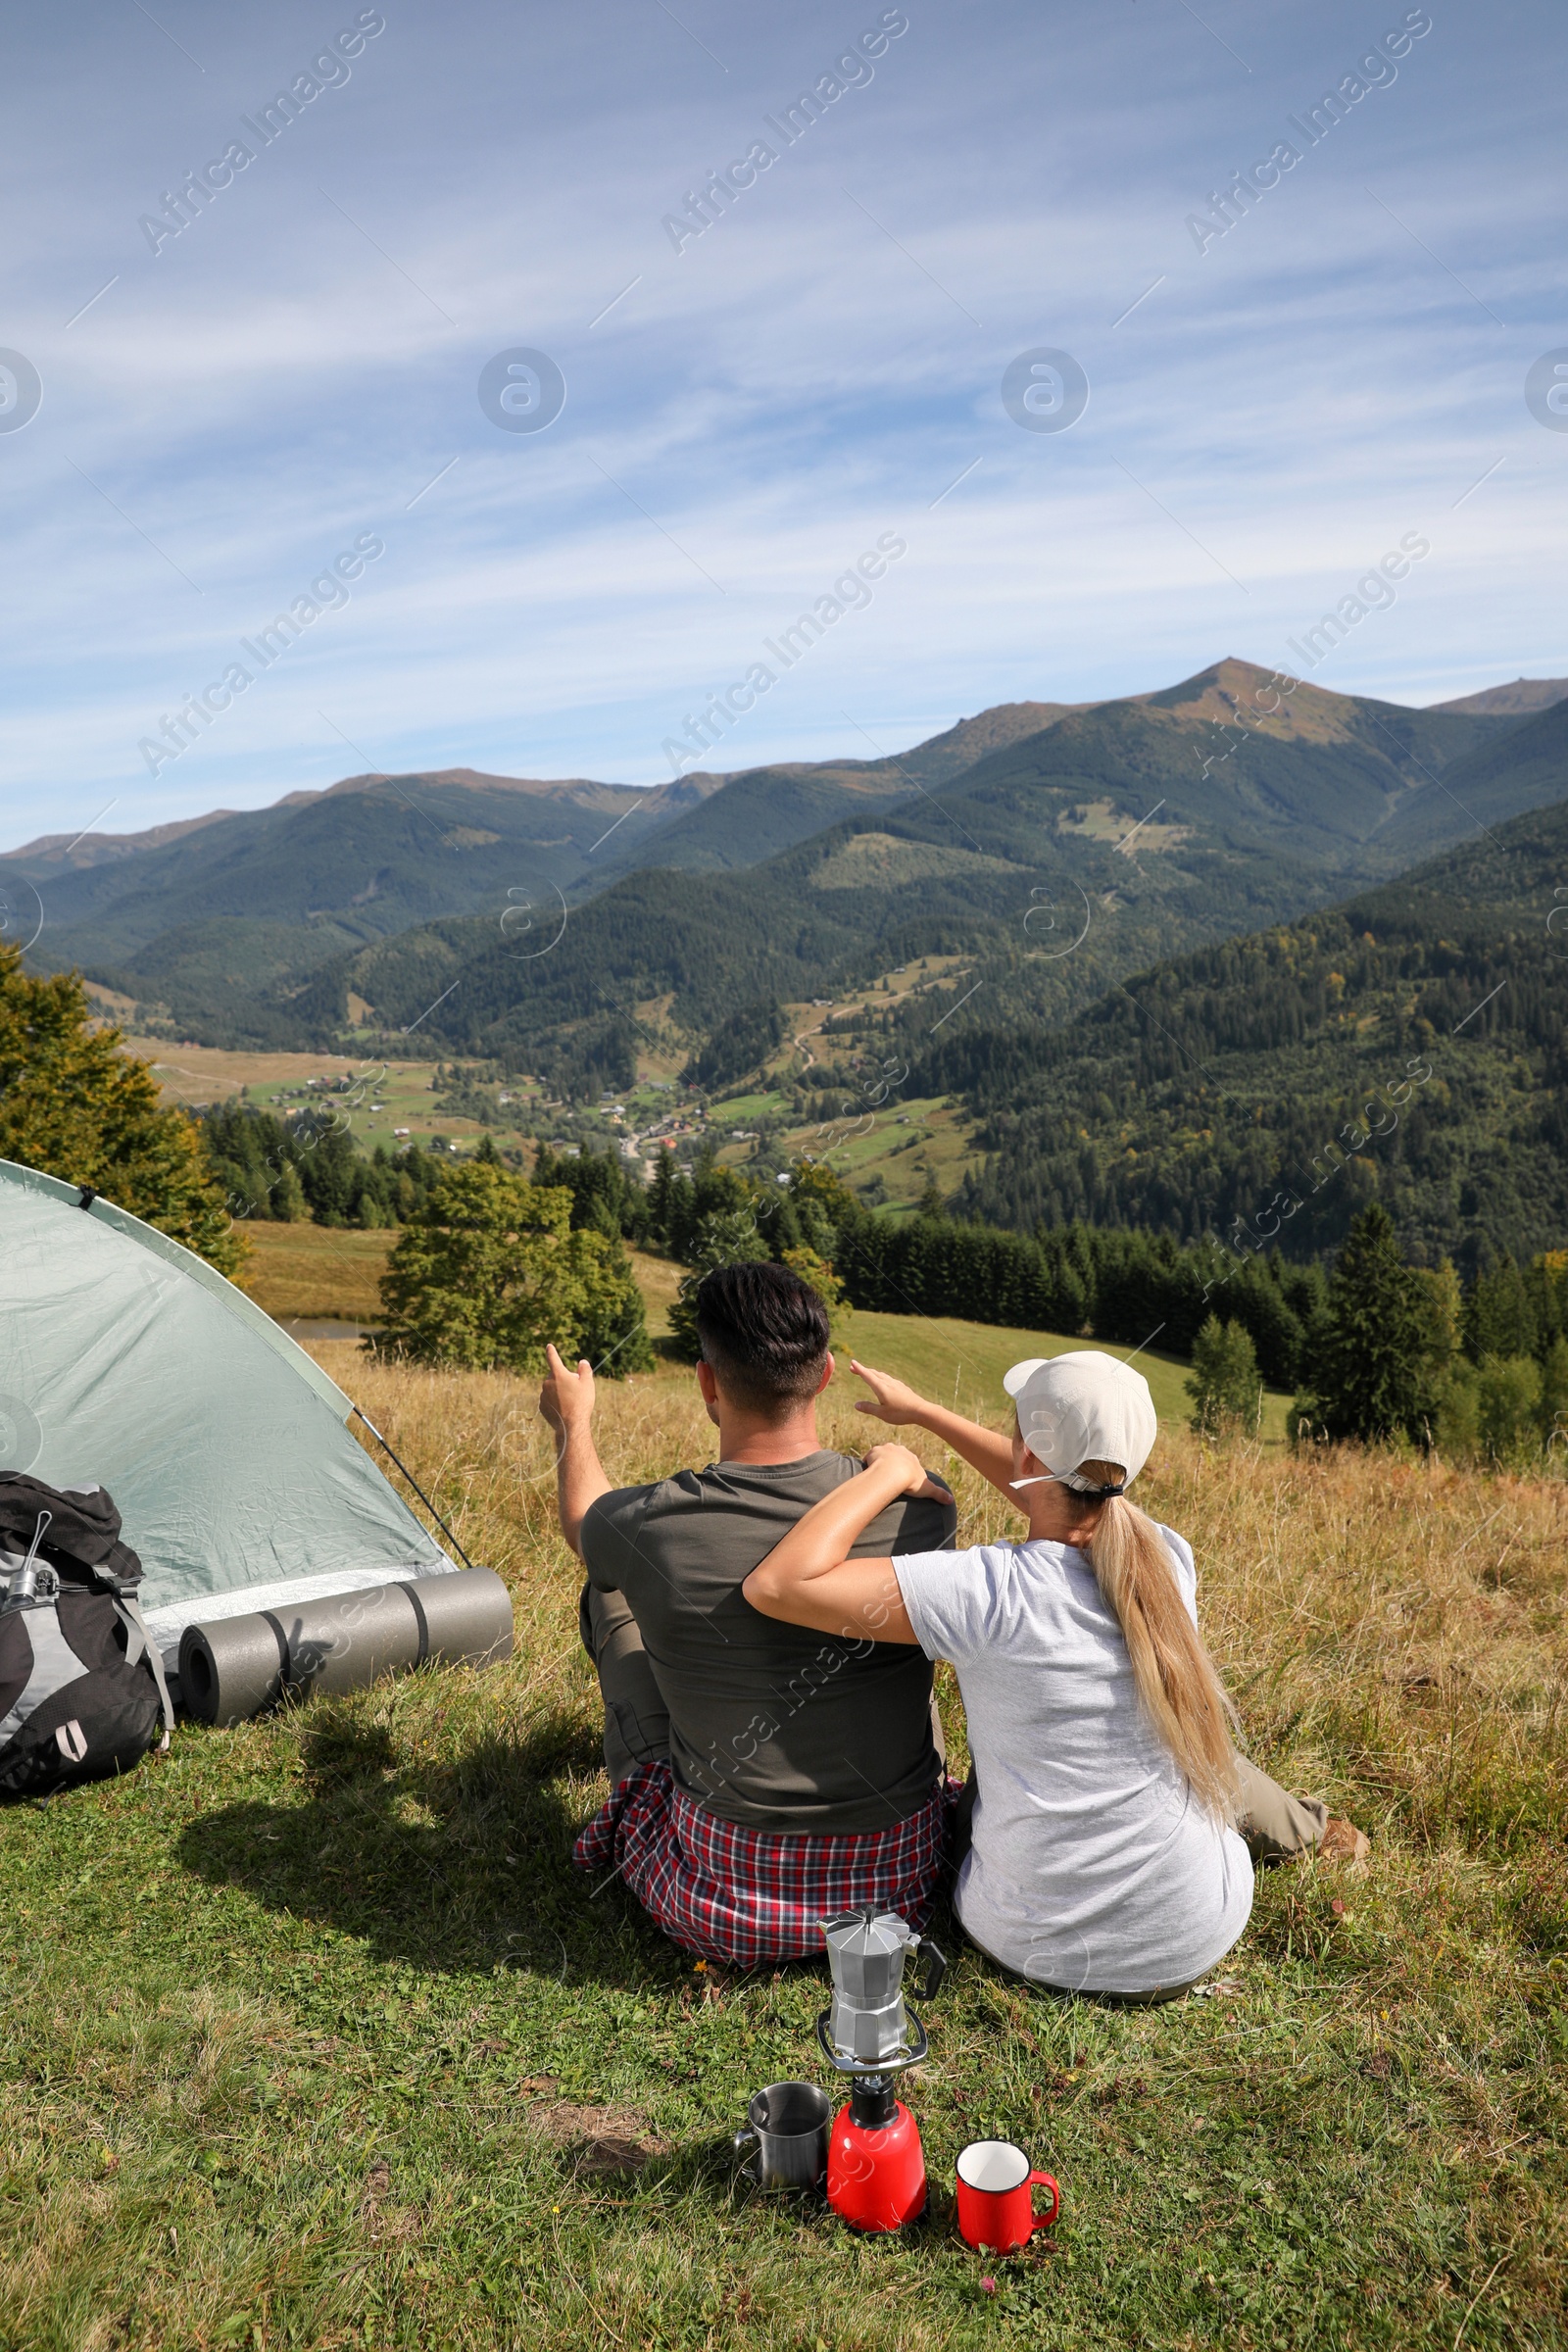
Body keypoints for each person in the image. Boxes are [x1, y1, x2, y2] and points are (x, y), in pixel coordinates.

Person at [744, 1349, 1368, 2002]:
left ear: (1028, 1459)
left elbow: (780, 1585)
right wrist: (927, 1414)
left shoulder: (988, 1592)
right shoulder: (1165, 1565)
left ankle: (1304, 1830)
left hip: (1035, 1951)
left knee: (990, 1777)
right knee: (1178, 1744)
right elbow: (1062, 1490)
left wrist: (890, 1469)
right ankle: (1310, 1831)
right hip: (1196, 1933)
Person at [538, 1261, 958, 1968]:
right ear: (825, 1374)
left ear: (708, 1382)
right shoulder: (924, 1508)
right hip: (899, 1888)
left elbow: (583, 1521)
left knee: (607, 1585)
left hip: (724, 1902)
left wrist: (573, 1423)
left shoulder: (650, 1526)